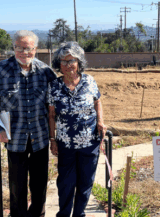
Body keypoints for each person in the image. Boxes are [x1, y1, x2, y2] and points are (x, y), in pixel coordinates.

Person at [0, 30, 57, 217]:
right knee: (17, 184)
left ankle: (38, 214)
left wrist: (55, 136)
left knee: (40, 183)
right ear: (13, 48)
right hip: (14, 139)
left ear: (36, 49)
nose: (24, 53)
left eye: (29, 48)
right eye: (20, 48)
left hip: (39, 137)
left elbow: (54, 108)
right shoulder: (0, 71)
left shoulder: (46, 72)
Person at [47, 42, 106, 217]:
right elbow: (51, 115)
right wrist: (52, 139)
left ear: (79, 62)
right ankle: (64, 214)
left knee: (85, 182)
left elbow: (97, 101)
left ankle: (79, 214)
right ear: (58, 65)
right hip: (66, 144)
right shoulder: (54, 86)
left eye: (71, 60)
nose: (67, 65)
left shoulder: (89, 81)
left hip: (90, 143)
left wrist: (101, 121)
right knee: (66, 183)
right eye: (63, 62)